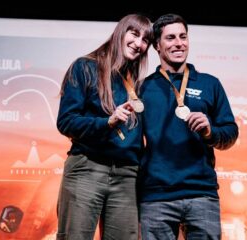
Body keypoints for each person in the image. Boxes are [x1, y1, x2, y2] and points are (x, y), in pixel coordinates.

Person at [139, 13, 239, 240]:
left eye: (183, 37)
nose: (178, 43)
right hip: (156, 196)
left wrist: (210, 131)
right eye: (170, 38)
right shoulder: (143, 88)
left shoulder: (209, 83)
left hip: (201, 194)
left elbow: (230, 133)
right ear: (157, 45)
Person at [56, 14, 152, 240]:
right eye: (134, 34)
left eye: (145, 40)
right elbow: (66, 121)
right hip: (88, 168)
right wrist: (107, 122)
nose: (139, 44)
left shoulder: (137, 82)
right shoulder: (85, 66)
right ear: (121, 32)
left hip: (127, 176)